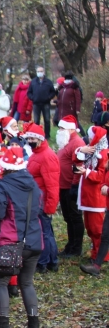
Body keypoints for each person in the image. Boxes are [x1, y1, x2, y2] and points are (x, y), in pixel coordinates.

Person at [0, 147, 43, 328]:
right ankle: (34, 324)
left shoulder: (3, 185)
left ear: (6, 167)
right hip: (34, 240)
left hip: (10, 241)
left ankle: (3, 325)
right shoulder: (33, 184)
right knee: (26, 282)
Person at [23, 123, 60, 273]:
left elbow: (52, 185)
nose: (30, 140)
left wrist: (50, 206)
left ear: (39, 139)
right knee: (45, 231)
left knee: (44, 232)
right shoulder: (37, 153)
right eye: (29, 138)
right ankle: (50, 260)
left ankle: (45, 261)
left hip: (42, 201)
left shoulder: (46, 157)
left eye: (32, 138)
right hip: (37, 199)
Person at [74, 127, 108, 263]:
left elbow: (101, 176)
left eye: (90, 136)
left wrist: (85, 172)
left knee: (97, 229)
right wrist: (80, 150)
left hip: (96, 198)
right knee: (90, 228)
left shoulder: (104, 154)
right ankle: (96, 253)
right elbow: (75, 159)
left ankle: (102, 256)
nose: (88, 139)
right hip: (88, 197)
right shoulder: (92, 151)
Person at [57, 115, 86, 257]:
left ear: (69, 129)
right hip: (63, 185)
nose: (58, 130)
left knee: (75, 217)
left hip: (70, 185)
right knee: (68, 217)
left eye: (61, 128)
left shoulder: (77, 142)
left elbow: (79, 165)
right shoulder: (66, 141)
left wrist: (75, 185)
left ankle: (76, 248)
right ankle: (70, 244)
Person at [27, 65, 57, 139]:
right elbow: (29, 92)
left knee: (47, 120)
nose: (39, 73)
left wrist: (48, 98)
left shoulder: (48, 82)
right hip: (36, 104)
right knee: (36, 121)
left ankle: (47, 136)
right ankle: (37, 135)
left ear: (43, 72)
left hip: (45, 103)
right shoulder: (33, 81)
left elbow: (53, 92)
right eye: (38, 71)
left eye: (41, 71)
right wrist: (33, 98)